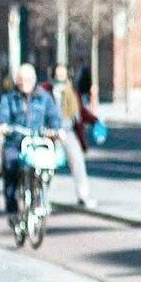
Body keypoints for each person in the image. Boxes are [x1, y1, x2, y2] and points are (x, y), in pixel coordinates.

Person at [0, 64, 66, 217]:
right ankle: (12, 210)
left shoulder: (44, 98)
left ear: (34, 80)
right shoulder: (9, 98)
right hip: (15, 142)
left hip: (37, 142)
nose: (23, 82)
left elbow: (54, 116)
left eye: (27, 79)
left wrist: (55, 129)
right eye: (20, 79)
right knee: (11, 166)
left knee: (46, 167)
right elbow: (2, 115)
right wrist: (3, 125)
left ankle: (41, 198)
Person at [50, 64, 94, 208]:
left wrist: (94, 121)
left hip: (69, 132)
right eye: (58, 76)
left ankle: (83, 195)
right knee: (47, 164)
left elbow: (80, 112)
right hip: (51, 133)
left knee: (78, 162)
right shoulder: (46, 92)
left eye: (64, 76)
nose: (61, 79)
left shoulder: (72, 93)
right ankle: (44, 197)